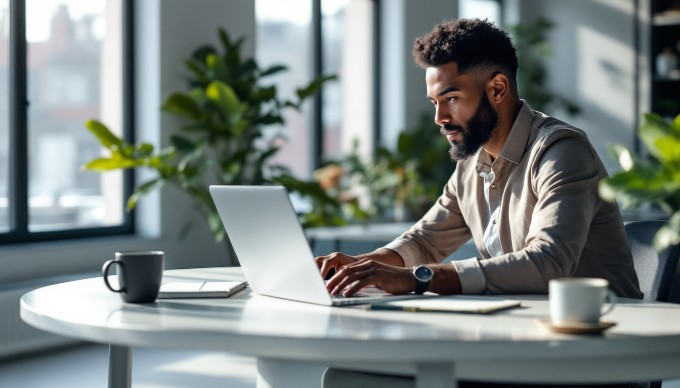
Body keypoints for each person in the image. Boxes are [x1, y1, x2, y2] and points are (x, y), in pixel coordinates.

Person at [315, 18, 644, 388]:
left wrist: (418, 279)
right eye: (435, 102)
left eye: (452, 99)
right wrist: (360, 266)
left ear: (498, 88)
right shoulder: (472, 163)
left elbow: (548, 262)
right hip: (524, 340)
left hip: (593, 355)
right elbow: (424, 242)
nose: (440, 118)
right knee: (347, 376)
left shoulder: (561, 152)